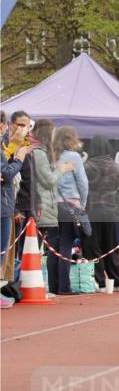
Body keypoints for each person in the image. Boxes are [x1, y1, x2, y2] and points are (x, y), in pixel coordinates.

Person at [31, 119, 75, 295]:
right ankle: (34, 287)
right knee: (35, 248)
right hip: (42, 204)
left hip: (44, 204)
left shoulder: (38, 152)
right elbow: (48, 180)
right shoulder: (39, 153)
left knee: (41, 248)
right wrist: (60, 170)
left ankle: (38, 286)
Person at [84, 136, 119, 291]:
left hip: (93, 208)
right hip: (111, 207)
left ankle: (99, 280)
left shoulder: (87, 166)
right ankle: (118, 280)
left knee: (94, 246)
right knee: (111, 246)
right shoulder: (115, 166)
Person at [53, 125, 89, 295]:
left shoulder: (50, 156)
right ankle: (64, 287)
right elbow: (82, 183)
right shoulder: (73, 156)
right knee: (67, 244)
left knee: (54, 245)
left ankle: (54, 285)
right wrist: (83, 203)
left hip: (54, 204)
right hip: (70, 203)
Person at [1, 110, 30, 302]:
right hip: (5, 204)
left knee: (6, 250)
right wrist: (18, 156)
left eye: (25, 125)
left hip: (9, 203)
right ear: (8, 125)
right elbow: (5, 173)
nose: (22, 129)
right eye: (19, 125)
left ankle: (5, 288)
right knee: (2, 249)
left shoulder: (26, 145)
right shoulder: (8, 145)